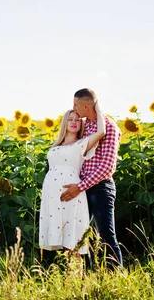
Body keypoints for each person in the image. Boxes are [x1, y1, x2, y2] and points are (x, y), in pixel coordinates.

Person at [60, 88, 123, 268]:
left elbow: (107, 168)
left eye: (75, 104)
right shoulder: (85, 125)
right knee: (79, 235)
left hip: (100, 188)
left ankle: (115, 279)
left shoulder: (109, 127)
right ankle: (86, 277)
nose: (73, 108)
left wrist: (80, 186)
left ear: (86, 106)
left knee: (106, 235)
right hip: (81, 187)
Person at [38, 105, 106, 261]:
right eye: (70, 119)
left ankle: (77, 277)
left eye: (77, 120)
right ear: (64, 123)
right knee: (58, 232)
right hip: (52, 192)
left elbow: (101, 132)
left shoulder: (81, 143)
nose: (74, 122)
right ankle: (66, 279)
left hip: (71, 191)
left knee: (72, 234)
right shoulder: (56, 145)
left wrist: (96, 107)